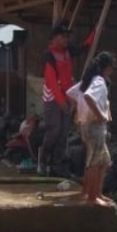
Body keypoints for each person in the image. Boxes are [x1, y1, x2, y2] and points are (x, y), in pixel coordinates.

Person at [78, 52, 117, 207]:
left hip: (89, 125)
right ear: (106, 68)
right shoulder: (99, 81)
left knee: (104, 160)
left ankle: (92, 192)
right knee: (95, 161)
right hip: (95, 126)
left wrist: (81, 114)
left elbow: (73, 94)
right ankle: (93, 197)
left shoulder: (88, 80)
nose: (112, 72)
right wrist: (100, 114)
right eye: (111, 68)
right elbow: (88, 97)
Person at [39, 25, 76, 176]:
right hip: (52, 98)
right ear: (54, 38)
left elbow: (85, 46)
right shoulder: (49, 55)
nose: (65, 40)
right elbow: (52, 82)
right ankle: (43, 159)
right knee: (54, 130)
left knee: (63, 134)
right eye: (62, 37)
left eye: (67, 37)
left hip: (67, 96)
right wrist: (62, 102)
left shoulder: (67, 53)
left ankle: (57, 165)